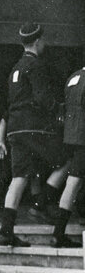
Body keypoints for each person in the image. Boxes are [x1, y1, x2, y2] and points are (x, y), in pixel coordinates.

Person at [0, 23, 70, 247]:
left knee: (19, 177)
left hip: (15, 129)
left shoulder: (16, 67)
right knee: (68, 161)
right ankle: (40, 205)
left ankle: (6, 231)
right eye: (44, 41)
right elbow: (41, 99)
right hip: (34, 128)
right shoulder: (36, 65)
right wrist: (59, 110)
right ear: (38, 42)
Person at [54, 62, 85, 248]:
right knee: (73, 183)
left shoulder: (73, 77)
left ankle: (58, 233)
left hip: (73, 137)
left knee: (74, 182)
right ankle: (58, 233)